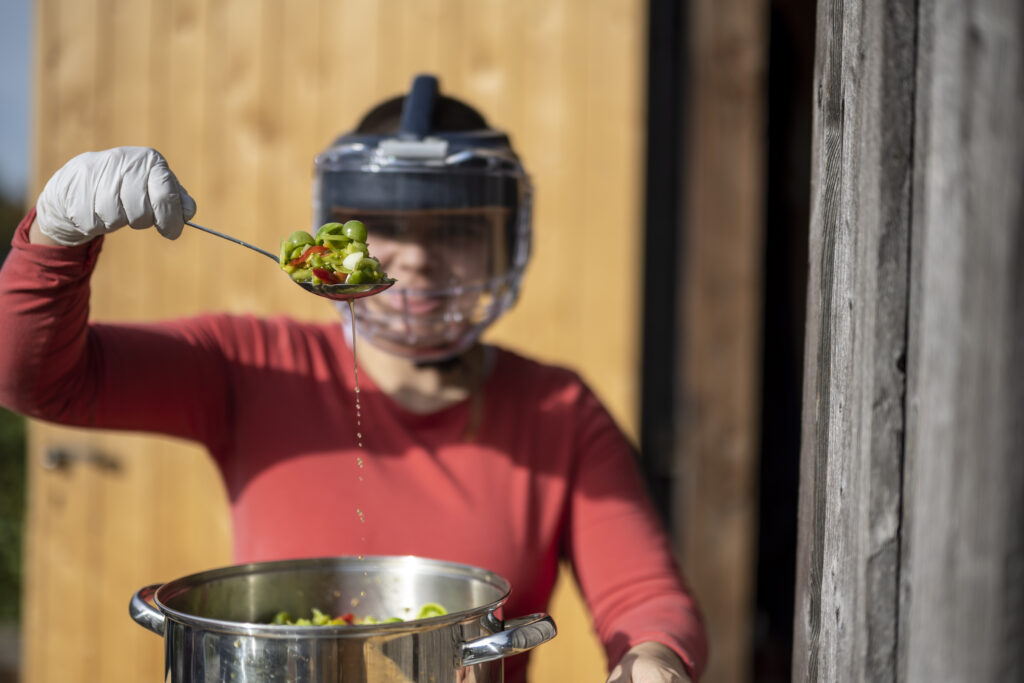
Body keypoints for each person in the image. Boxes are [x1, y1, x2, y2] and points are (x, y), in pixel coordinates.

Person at [0, 74, 707, 682]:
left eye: (457, 229)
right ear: (332, 233)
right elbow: (37, 379)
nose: (418, 256)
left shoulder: (560, 409)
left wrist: (653, 656)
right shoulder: (251, 363)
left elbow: (644, 595)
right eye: (384, 224)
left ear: (505, 243)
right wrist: (55, 239)